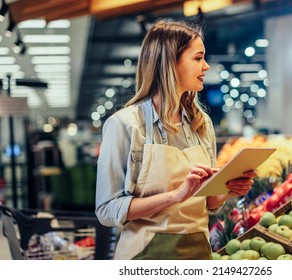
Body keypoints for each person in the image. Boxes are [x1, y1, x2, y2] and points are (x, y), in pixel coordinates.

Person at [95, 19, 257, 260]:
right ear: (171, 62)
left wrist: (228, 189)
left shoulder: (201, 123)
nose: (206, 67)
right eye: (198, 58)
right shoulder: (125, 125)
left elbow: (209, 203)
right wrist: (175, 196)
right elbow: (107, 210)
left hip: (199, 254)